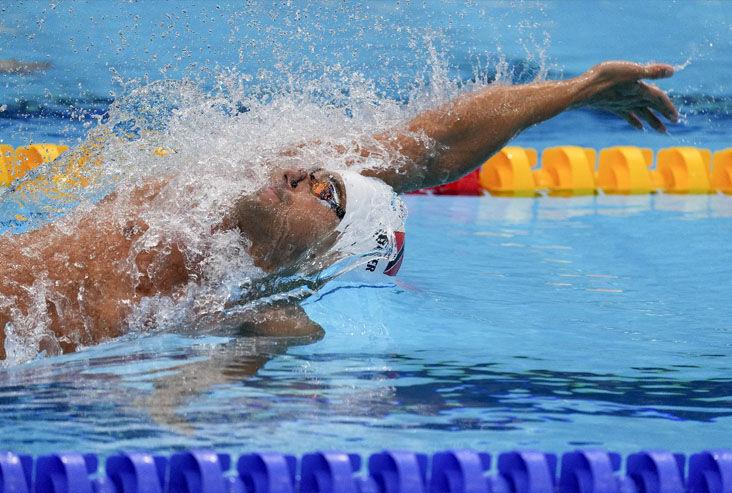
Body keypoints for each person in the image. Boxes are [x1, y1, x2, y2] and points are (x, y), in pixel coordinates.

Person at [0, 61, 678, 360]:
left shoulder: (258, 314)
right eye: (318, 175)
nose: (301, 173)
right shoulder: (214, 185)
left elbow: (204, 389)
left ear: (330, 251)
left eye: (326, 194)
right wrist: (573, 90)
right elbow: (426, 148)